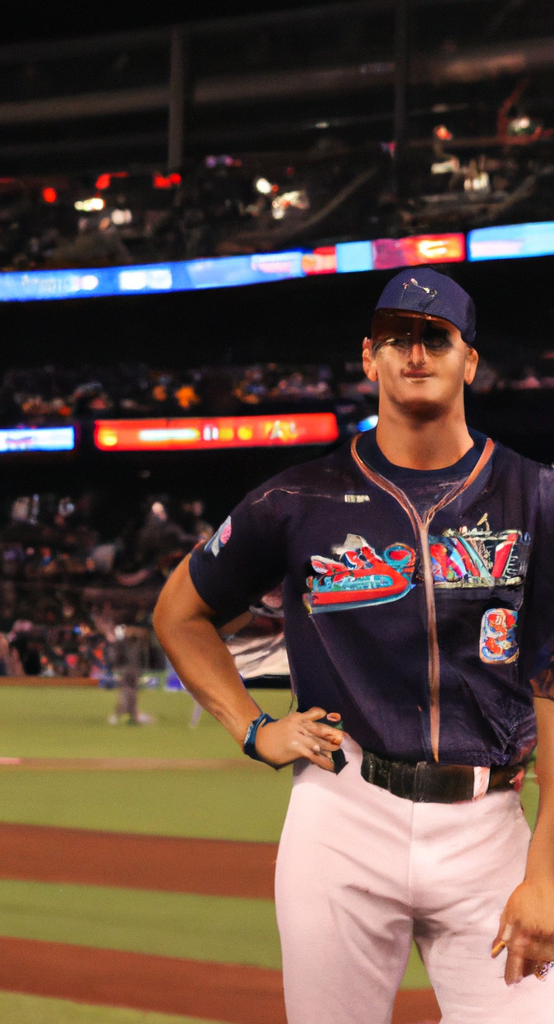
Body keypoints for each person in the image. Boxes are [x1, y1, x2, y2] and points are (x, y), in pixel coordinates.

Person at [154, 268, 554, 1023]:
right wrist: (253, 730)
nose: (416, 352)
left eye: (436, 338)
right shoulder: (296, 499)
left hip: (490, 823)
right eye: (397, 338)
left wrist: (549, 872)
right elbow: (180, 613)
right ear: (368, 358)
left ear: (470, 360)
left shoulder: (536, 497)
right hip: (343, 814)